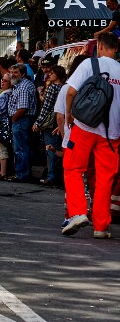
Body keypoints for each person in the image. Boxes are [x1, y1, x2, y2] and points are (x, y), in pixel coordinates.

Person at [63, 32, 120, 238]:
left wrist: (69, 115)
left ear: (100, 46)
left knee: (72, 168)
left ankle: (78, 212)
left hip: (85, 127)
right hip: (111, 133)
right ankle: (101, 226)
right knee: (106, 178)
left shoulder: (89, 64)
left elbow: (71, 92)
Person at [33, 64, 65, 186]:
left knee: (50, 149)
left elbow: (46, 108)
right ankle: (56, 175)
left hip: (50, 122)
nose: (49, 74)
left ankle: (51, 176)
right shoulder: (63, 87)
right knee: (57, 149)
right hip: (59, 122)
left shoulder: (53, 88)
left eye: (52, 73)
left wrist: (38, 122)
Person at [8, 63, 37, 182]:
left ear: (23, 74)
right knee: (22, 147)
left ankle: (22, 174)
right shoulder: (19, 85)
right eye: (12, 72)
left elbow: (23, 108)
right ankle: (22, 173)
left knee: (20, 148)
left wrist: (14, 119)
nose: (12, 75)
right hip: (21, 120)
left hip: (21, 120)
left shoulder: (24, 87)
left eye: (16, 73)